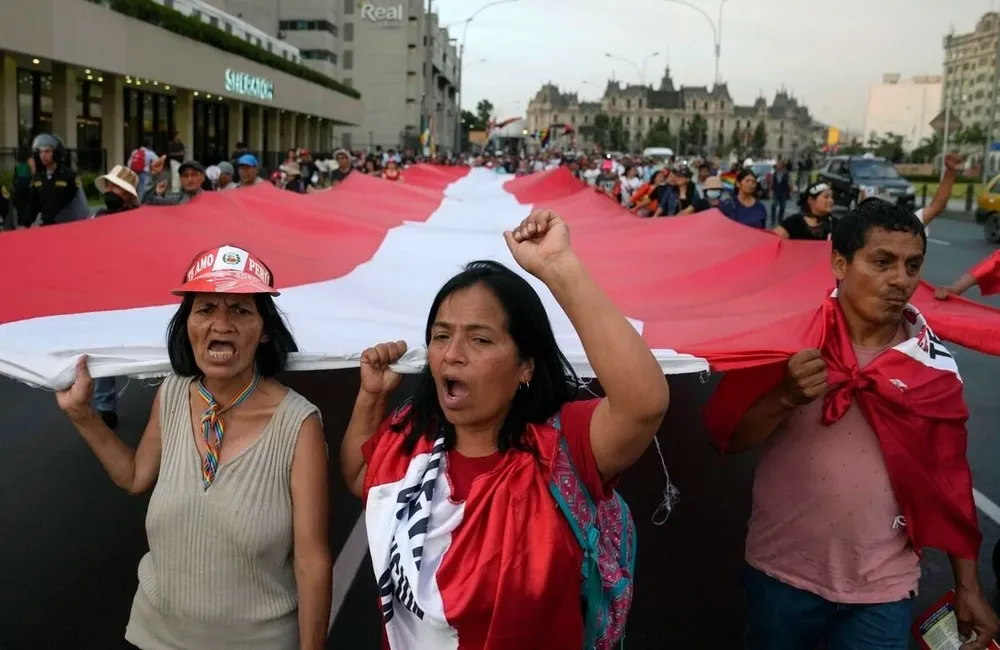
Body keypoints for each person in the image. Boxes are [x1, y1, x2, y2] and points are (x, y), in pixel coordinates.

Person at [341, 209, 669, 649]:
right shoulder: (413, 435)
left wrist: (559, 269)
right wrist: (370, 398)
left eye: (480, 339)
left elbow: (643, 405)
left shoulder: (561, 449)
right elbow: (363, 478)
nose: (452, 354)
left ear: (525, 367)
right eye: (441, 336)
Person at [706, 199, 999, 650]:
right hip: (782, 575)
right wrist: (784, 396)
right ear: (840, 263)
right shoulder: (792, 341)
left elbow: (950, 481)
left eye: (912, 265)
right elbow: (728, 438)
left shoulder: (931, 366)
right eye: (882, 262)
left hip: (883, 589)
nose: (901, 279)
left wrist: (968, 585)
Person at [54, 245, 332, 650]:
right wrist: (82, 415)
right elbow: (134, 477)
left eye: (240, 310)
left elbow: (312, 563)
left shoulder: (298, 425)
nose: (221, 324)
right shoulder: (171, 395)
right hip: (154, 637)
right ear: (188, 324)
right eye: (205, 309)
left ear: (265, 329)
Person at [26, 133, 89, 226]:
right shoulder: (38, 178)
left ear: (56, 153)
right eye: (41, 152)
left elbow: (81, 205)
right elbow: (33, 206)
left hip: (66, 226)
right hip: (46, 226)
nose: (43, 155)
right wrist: (25, 224)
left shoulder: (70, 176)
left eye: (47, 151)